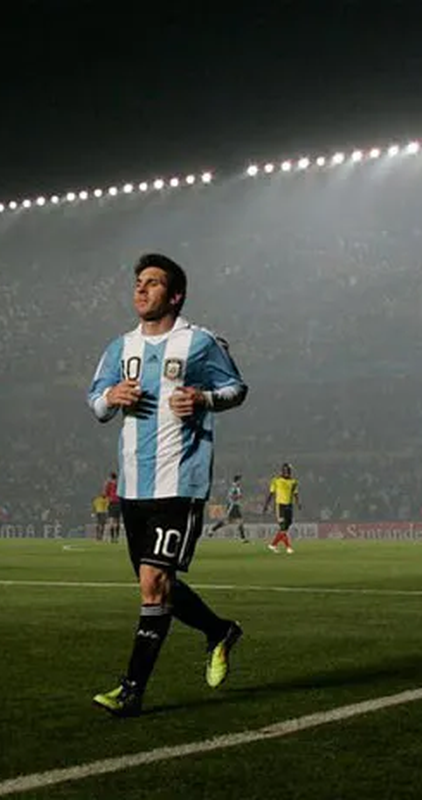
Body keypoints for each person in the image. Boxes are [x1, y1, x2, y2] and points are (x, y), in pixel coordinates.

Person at [86, 252, 248, 717]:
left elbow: (237, 388)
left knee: (153, 584)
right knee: (159, 585)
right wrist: (111, 397)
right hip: (134, 486)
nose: (141, 289)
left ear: (174, 295)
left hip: (181, 480)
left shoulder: (198, 342)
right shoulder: (120, 348)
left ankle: (131, 690)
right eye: (138, 281)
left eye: (153, 283)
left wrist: (204, 398)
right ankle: (219, 631)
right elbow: (95, 402)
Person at [263, 464, 300, 553]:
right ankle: (288, 547)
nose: (287, 472)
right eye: (285, 470)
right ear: (282, 471)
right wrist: (266, 505)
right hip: (280, 506)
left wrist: (298, 503)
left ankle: (273, 545)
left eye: (288, 471)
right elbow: (271, 493)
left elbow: (295, 493)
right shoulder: (276, 480)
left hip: (289, 506)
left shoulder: (294, 482)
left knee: (286, 527)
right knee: (283, 527)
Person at [209, 474, 249, 543]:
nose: (241, 482)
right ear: (237, 480)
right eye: (240, 480)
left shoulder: (236, 487)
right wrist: (238, 496)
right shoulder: (234, 487)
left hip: (235, 506)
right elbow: (231, 496)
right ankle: (212, 530)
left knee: (232, 522)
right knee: (230, 521)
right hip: (232, 506)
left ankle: (212, 530)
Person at [104, 472, 121, 544]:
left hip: (112, 503)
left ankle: (112, 538)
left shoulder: (109, 484)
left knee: (111, 521)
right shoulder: (119, 484)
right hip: (119, 503)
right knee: (117, 521)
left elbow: (105, 494)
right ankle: (116, 537)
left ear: (110, 477)